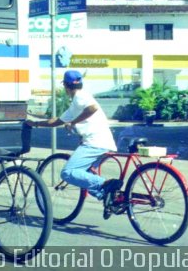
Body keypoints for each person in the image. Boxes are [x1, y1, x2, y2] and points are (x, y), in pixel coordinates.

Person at [26, 70, 122, 219]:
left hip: (95, 143)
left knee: (68, 173)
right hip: (102, 142)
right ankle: (111, 198)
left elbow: (92, 108)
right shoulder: (77, 103)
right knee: (85, 176)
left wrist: (74, 122)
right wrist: (36, 123)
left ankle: (106, 184)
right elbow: (57, 121)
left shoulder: (80, 97)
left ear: (66, 86)